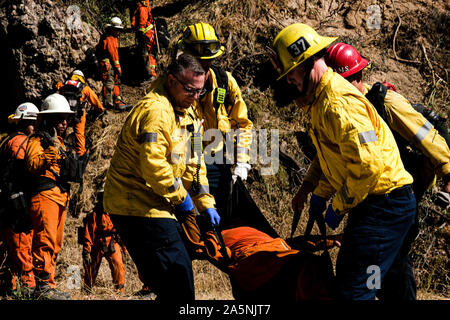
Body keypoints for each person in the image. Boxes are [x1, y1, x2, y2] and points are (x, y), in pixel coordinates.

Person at [271, 23, 416, 300]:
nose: (289, 82)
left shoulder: (336, 104)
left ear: (307, 63)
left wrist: (337, 207)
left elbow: (367, 167)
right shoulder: (320, 100)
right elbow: (339, 160)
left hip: (383, 207)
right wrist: (316, 193)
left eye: (290, 75)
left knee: (357, 288)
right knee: (386, 283)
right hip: (377, 205)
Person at [324, 42, 450, 300]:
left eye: (350, 81)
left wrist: (449, 173)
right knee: (375, 263)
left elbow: (428, 138)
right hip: (369, 199)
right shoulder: (341, 109)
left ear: (358, 77)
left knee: (391, 264)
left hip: (400, 198)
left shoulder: (387, 102)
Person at [103, 53, 220, 302]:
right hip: (134, 204)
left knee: (175, 281)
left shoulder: (188, 113)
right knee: (178, 281)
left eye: (200, 91)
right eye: (190, 90)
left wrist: (205, 204)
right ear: (171, 81)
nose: (196, 97)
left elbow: (196, 165)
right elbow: (153, 165)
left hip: (157, 202)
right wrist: (183, 200)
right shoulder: (156, 112)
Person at [177, 22, 253, 216]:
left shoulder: (224, 82)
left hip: (220, 163)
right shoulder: (173, 87)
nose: (203, 67)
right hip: (186, 169)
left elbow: (241, 123)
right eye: (198, 63)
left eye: (207, 62)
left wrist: (242, 161)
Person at [25, 93, 82, 300]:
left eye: (65, 119)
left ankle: (49, 283)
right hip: (44, 195)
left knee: (55, 244)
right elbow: (31, 165)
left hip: (60, 196)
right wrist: (47, 155)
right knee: (45, 241)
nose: (64, 123)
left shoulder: (60, 143)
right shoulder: (38, 140)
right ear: (48, 119)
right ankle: (41, 288)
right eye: (59, 118)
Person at [0, 103, 39, 296]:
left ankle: (12, 289)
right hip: (17, 206)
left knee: (11, 252)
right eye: (32, 122)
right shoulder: (19, 143)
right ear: (23, 122)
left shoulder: (8, 140)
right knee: (22, 247)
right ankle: (29, 289)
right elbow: (21, 172)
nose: (35, 125)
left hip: (8, 205)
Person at [81, 187, 126, 293]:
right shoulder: (95, 215)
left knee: (118, 265)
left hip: (112, 243)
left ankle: (120, 291)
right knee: (91, 268)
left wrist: (124, 248)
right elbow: (89, 233)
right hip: (97, 243)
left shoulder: (115, 213)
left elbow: (121, 231)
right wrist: (86, 250)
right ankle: (87, 290)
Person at [56, 69, 105, 156]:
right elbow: (95, 101)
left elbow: (57, 86)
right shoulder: (85, 88)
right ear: (82, 78)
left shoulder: (64, 86)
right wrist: (102, 110)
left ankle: (59, 152)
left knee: (60, 134)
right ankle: (80, 156)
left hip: (65, 115)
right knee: (80, 136)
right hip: (78, 116)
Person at [96, 17, 131, 111]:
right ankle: (108, 105)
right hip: (107, 64)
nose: (118, 32)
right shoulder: (110, 38)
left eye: (119, 30)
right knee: (109, 83)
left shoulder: (111, 37)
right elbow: (113, 55)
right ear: (111, 28)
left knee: (115, 81)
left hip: (109, 64)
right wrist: (118, 67)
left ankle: (117, 101)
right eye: (116, 29)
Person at [131, 0, 157, 82]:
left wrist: (140, 34)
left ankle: (151, 74)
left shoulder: (142, 9)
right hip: (146, 34)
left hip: (146, 35)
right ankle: (150, 73)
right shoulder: (140, 8)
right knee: (147, 54)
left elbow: (142, 23)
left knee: (147, 54)